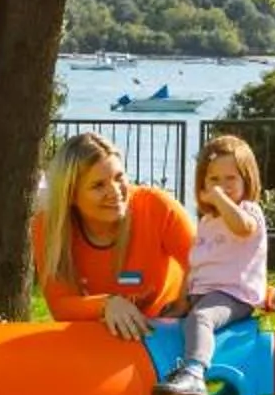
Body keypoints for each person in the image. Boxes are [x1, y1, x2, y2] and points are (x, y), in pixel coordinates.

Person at [161, 133, 275, 395]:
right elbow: (195, 265)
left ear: (246, 181)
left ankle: (194, 373)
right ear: (201, 185)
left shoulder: (249, 211)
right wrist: (181, 301)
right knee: (174, 321)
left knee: (201, 319)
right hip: (203, 293)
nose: (222, 187)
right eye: (214, 179)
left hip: (233, 295)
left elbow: (242, 227)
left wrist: (219, 198)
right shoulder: (207, 222)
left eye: (230, 179)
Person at [31, 132, 195, 341]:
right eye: (98, 185)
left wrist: (183, 305)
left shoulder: (157, 207)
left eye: (119, 178)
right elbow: (61, 305)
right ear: (70, 194)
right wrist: (106, 304)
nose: (115, 191)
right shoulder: (49, 226)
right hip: (99, 338)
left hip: (164, 333)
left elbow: (203, 262)